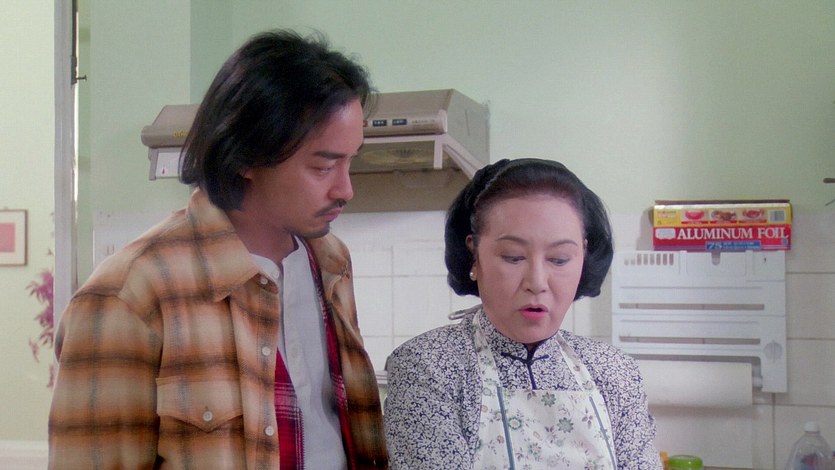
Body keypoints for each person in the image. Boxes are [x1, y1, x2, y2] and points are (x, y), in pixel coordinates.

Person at [49, 30, 388, 469]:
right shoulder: (129, 296)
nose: (346, 189)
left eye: (351, 160)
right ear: (246, 157)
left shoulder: (331, 262)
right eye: (323, 166)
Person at [383, 158, 661, 469]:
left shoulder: (615, 374)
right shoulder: (429, 367)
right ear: (474, 254)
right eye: (513, 257)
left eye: (559, 259)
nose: (537, 282)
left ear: (583, 256)